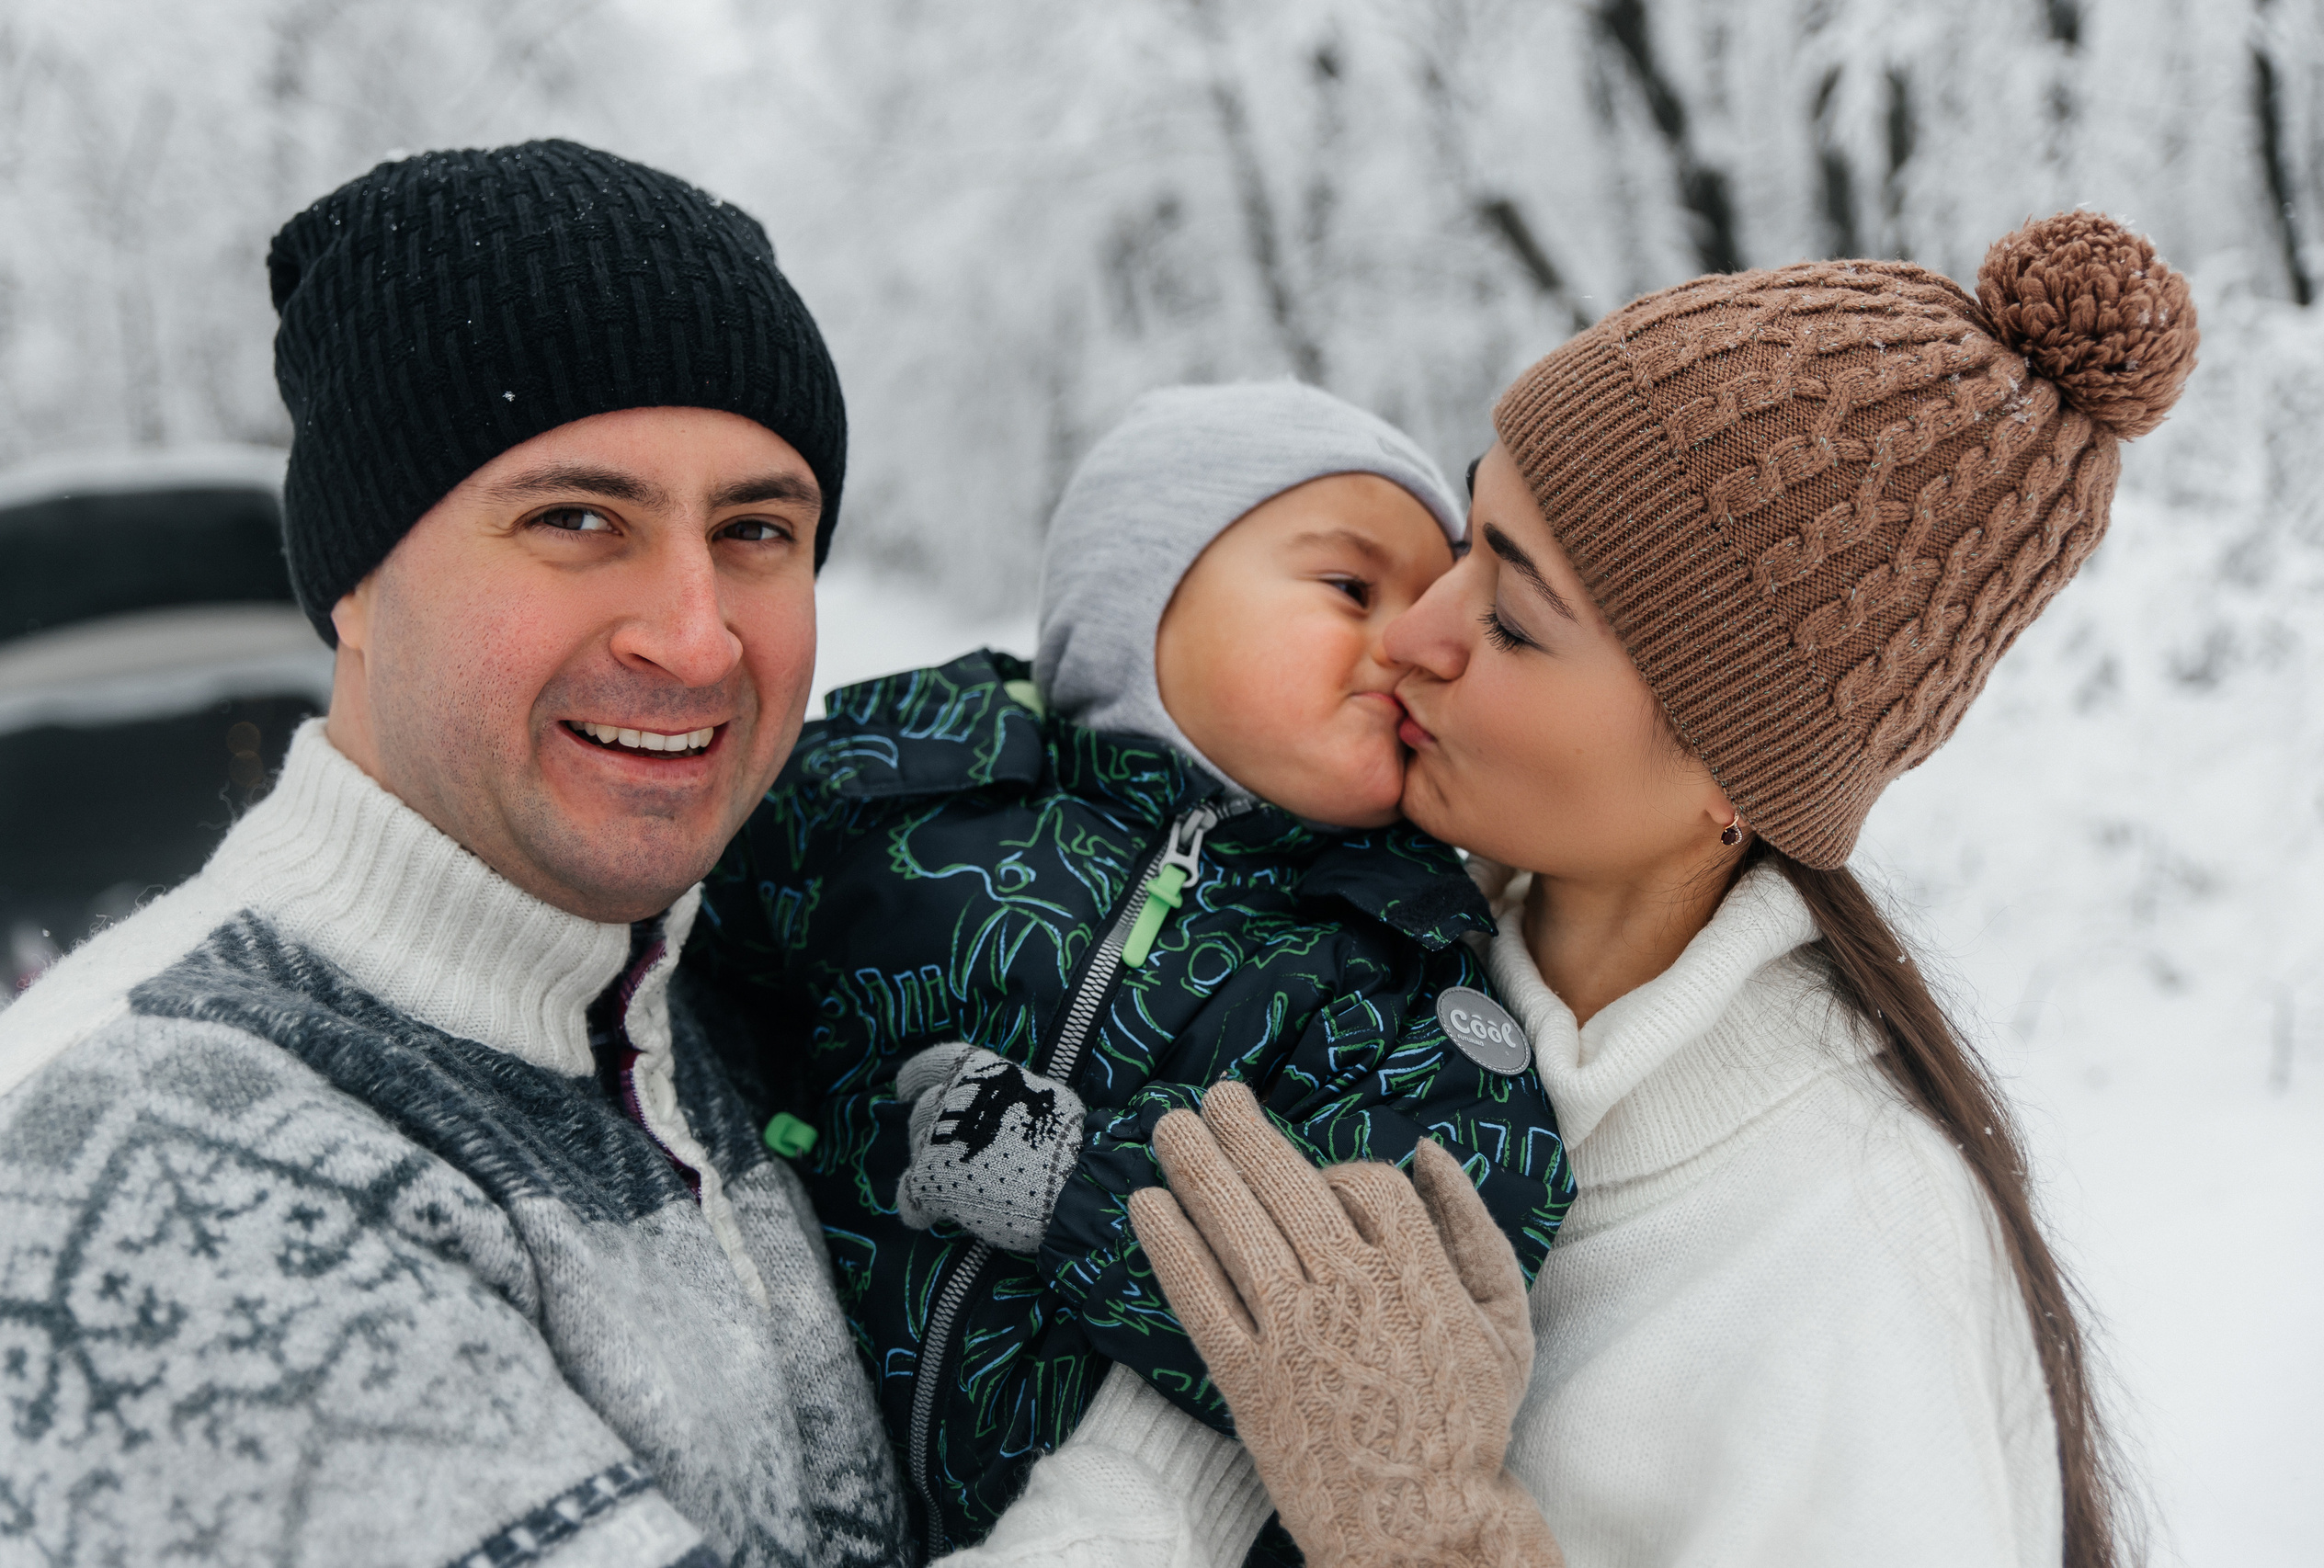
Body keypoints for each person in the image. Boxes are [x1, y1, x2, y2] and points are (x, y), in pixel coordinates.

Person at [2, 140, 1519, 1568]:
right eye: (576, 518)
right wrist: (1195, 1448)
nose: (693, 633)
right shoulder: (162, 1159)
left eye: (757, 530)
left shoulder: (690, 1005)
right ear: (354, 580)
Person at [1134, 211, 2197, 1568]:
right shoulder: (1371, 980)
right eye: (1470, 540)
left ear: (1735, 771)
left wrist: (1428, 1532)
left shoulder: (1846, 1257)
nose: (1412, 633)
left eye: (1512, 620)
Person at [689, 382, 1575, 1554]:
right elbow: (675, 987)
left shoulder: (1398, 961)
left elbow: (1425, 1306)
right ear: (1136, 595)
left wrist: (1073, 1186)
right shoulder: (889, 779)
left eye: (1435, 598)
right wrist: (768, 1141)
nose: (1414, 642)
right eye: (1352, 587)